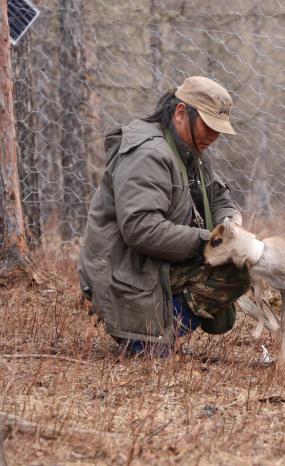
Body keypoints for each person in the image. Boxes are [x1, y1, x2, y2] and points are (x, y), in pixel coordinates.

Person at [79, 76, 251, 356]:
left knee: (240, 262)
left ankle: (159, 336)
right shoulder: (148, 154)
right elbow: (141, 229)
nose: (214, 136)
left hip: (150, 263)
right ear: (181, 113)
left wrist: (230, 222)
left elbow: (218, 197)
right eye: (208, 126)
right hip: (125, 270)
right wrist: (212, 241)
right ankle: (149, 341)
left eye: (218, 129)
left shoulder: (190, 149)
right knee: (233, 268)